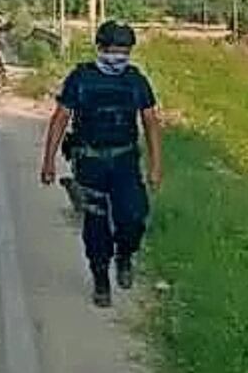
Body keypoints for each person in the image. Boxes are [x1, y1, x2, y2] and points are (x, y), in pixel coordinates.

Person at [39, 21, 163, 308]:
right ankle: (100, 280)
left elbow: (151, 122)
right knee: (95, 227)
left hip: (125, 161)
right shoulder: (81, 79)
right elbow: (60, 118)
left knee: (133, 216)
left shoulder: (135, 80)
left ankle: (125, 256)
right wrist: (48, 161)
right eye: (113, 50)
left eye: (124, 51)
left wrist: (156, 166)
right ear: (101, 48)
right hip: (90, 162)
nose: (118, 57)